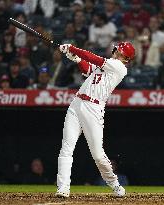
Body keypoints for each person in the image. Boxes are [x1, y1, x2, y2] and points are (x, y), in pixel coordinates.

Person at [55, 41, 135, 198]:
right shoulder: (107, 66)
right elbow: (89, 70)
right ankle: (63, 188)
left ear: (124, 57)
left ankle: (115, 184)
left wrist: (73, 49)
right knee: (66, 147)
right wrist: (77, 59)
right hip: (76, 104)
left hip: (94, 108)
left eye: (119, 51)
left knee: (98, 155)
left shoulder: (119, 67)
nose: (115, 51)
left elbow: (94, 59)